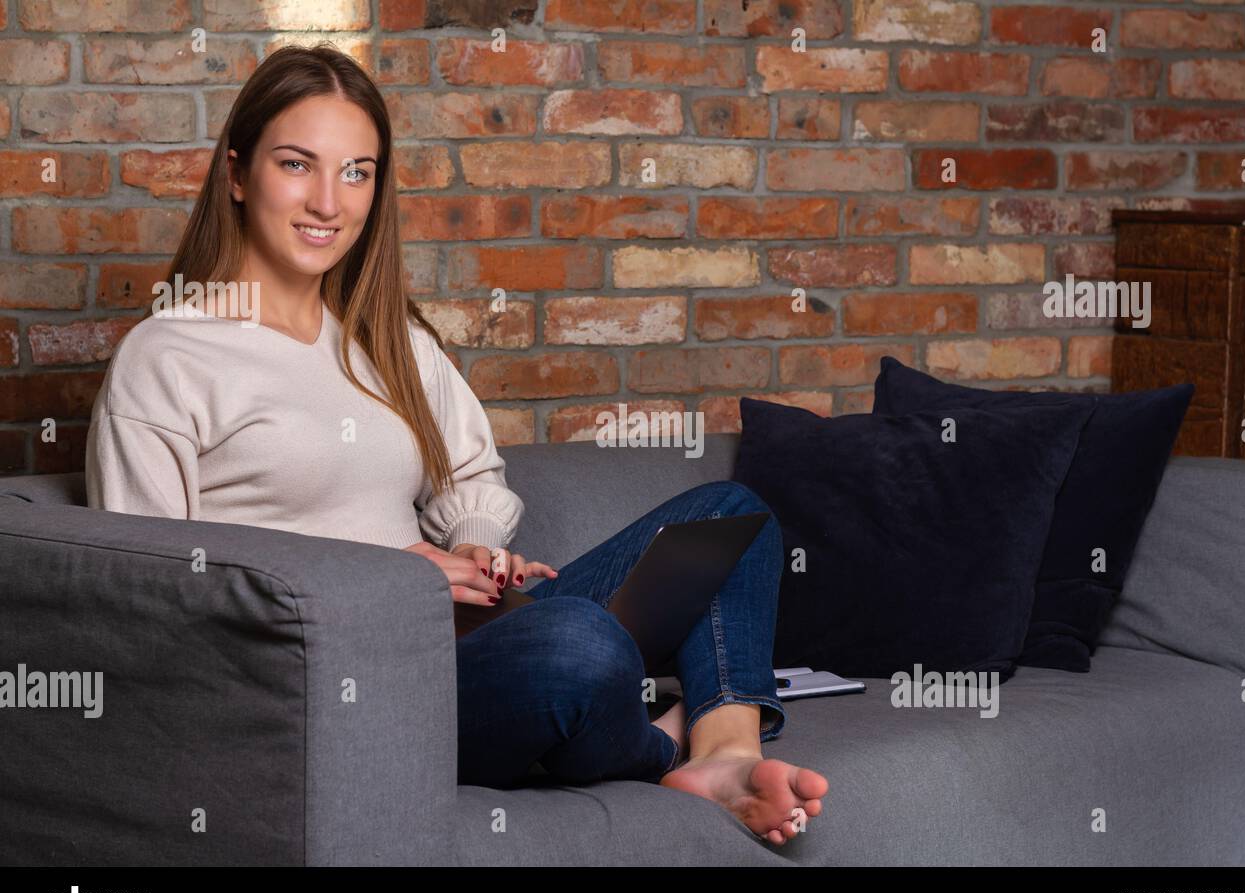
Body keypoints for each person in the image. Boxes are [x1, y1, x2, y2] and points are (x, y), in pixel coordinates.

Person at [84, 44, 828, 845]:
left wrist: (476, 551)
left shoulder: (387, 338)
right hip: (347, 687)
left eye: (357, 172)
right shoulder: (169, 358)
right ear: (236, 174)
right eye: (298, 164)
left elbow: (469, 469)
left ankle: (723, 750)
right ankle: (659, 739)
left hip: (470, 636)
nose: (328, 202)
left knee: (733, 516)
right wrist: (396, 582)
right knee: (579, 649)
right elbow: (157, 601)